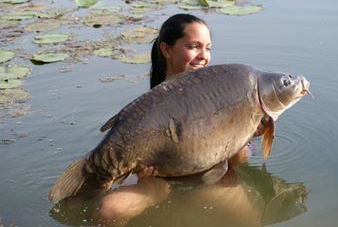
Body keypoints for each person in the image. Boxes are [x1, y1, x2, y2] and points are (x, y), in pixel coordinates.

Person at [91, 13, 252, 224]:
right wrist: (142, 171)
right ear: (166, 49)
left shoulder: (224, 99)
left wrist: (245, 131)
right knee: (107, 212)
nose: (204, 55)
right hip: (158, 183)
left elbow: (239, 161)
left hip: (212, 181)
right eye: (194, 46)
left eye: (208, 48)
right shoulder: (144, 111)